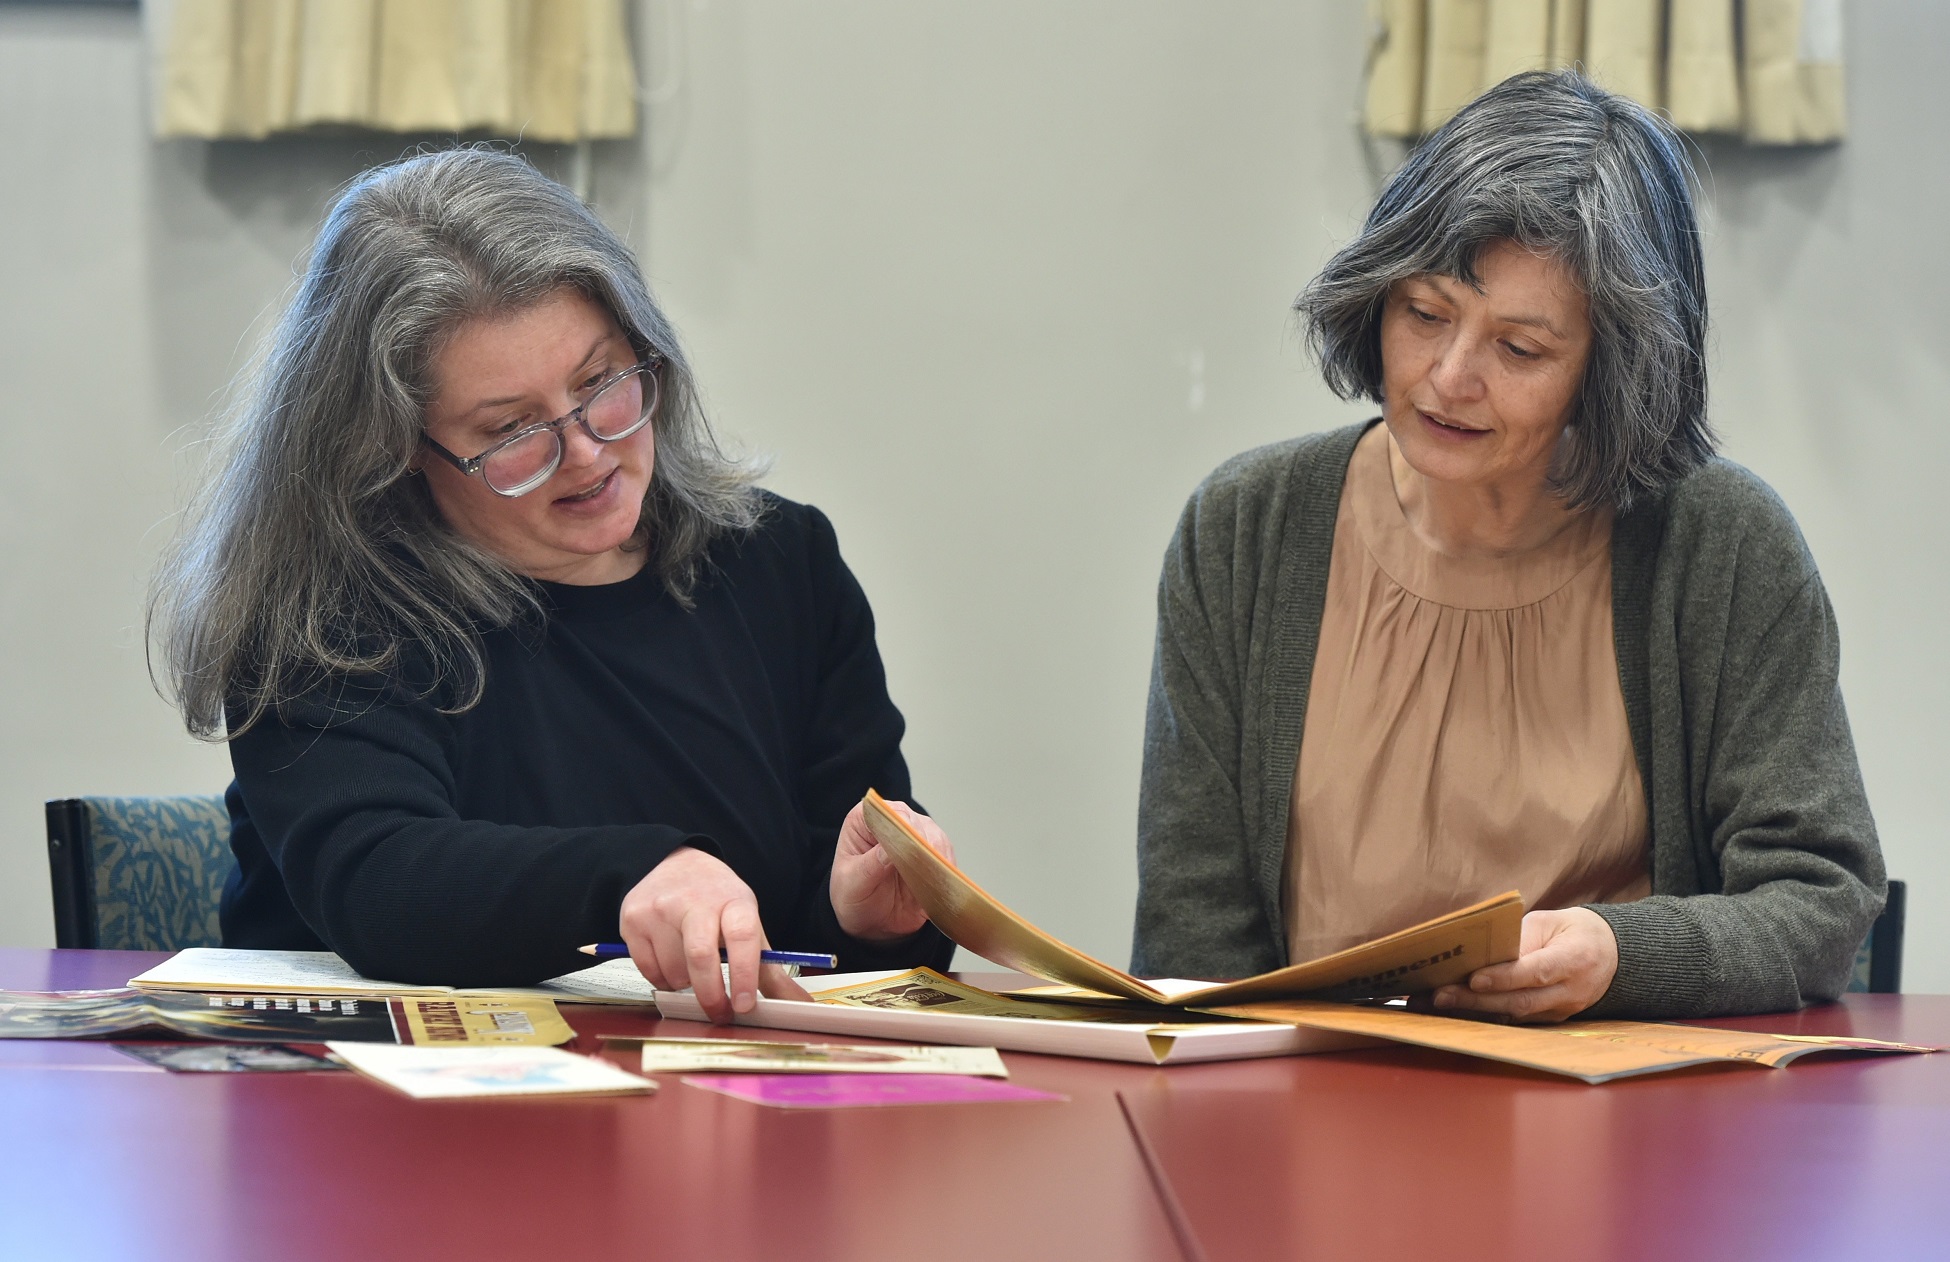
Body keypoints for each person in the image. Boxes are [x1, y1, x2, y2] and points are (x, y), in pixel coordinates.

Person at [1131, 71, 1885, 1022]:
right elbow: (1191, 944)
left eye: (1520, 351)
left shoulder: (1721, 544)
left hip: (1625, 1124)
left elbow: (1822, 901)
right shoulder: (1245, 530)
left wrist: (1621, 955)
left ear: (1609, 374)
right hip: (1312, 1106)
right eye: (1426, 313)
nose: (1449, 378)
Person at [150, 148, 954, 1020]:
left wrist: (869, 916)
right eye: (511, 431)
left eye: (602, 382)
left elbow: (817, 941)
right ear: (397, 452)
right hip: (374, 1112)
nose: (588, 453)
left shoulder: (780, 563)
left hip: (708, 1113)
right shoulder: (326, 611)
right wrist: (633, 876)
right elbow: (379, 882)